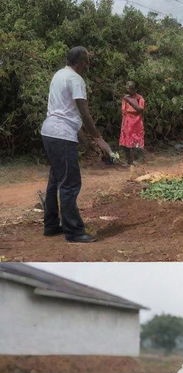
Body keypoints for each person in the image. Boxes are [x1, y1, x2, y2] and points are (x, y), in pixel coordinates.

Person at [40, 46, 111, 243]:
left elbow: (67, 112)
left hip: (49, 132)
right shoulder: (76, 79)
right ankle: (74, 231)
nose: (88, 64)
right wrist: (98, 139)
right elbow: (83, 112)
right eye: (86, 61)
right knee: (70, 183)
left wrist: (85, 141)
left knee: (55, 180)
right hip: (61, 134)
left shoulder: (59, 74)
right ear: (81, 62)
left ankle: (52, 225)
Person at [118, 81, 145, 165]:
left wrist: (130, 101)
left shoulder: (139, 98)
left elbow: (140, 110)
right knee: (125, 142)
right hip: (127, 122)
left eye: (131, 88)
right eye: (128, 88)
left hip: (136, 123)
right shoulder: (125, 98)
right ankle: (128, 160)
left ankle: (137, 160)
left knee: (136, 141)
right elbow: (123, 110)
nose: (129, 90)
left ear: (135, 89)